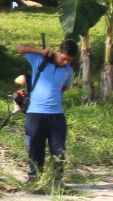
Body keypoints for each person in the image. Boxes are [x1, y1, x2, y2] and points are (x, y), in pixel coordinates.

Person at [15, 39, 77, 183]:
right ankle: (34, 178)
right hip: (36, 113)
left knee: (58, 149)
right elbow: (20, 47)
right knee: (36, 148)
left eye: (70, 60)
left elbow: (63, 88)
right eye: (64, 58)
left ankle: (56, 180)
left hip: (56, 115)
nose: (66, 62)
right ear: (59, 51)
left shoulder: (68, 71)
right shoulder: (39, 61)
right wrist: (41, 51)